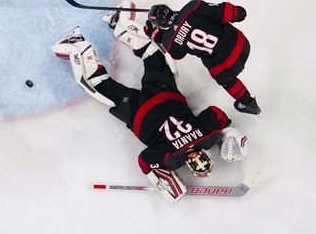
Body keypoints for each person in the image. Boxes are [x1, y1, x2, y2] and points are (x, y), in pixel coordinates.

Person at [51, 26, 248, 203]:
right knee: (98, 85)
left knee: (155, 56)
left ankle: (122, 23)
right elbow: (145, 161)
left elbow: (216, 113)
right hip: (138, 111)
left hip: (164, 94)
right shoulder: (171, 159)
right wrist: (166, 180)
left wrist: (226, 135)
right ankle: (77, 45)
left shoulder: (207, 136)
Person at [127, 0, 261, 115]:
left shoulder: (168, 42)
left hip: (226, 66)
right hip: (241, 43)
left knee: (226, 80)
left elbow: (178, 55)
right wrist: (239, 13)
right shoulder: (193, 7)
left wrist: (158, 35)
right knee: (215, 19)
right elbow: (221, 11)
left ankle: (249, 103)